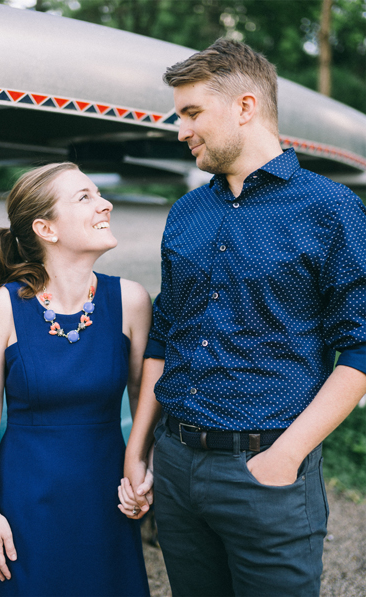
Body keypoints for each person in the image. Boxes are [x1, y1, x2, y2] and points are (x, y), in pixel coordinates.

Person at [120, 39, 366, 596]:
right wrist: (139, 451)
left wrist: (286, 456)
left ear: (246, 107)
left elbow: (360, 349)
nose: (180, 130)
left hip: (268, 473)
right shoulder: (186, 213)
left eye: (191, 113)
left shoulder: (332, 210)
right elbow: (164, 338)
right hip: (177, 468)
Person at [0, 162, 152, 596]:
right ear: (46, 228)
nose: (105, 203)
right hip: (23, 498)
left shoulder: (131, 300)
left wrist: (145, 471)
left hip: (105, 498)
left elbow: (147, 406)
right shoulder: (3, 306)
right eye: (84, 197)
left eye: (98, 193)